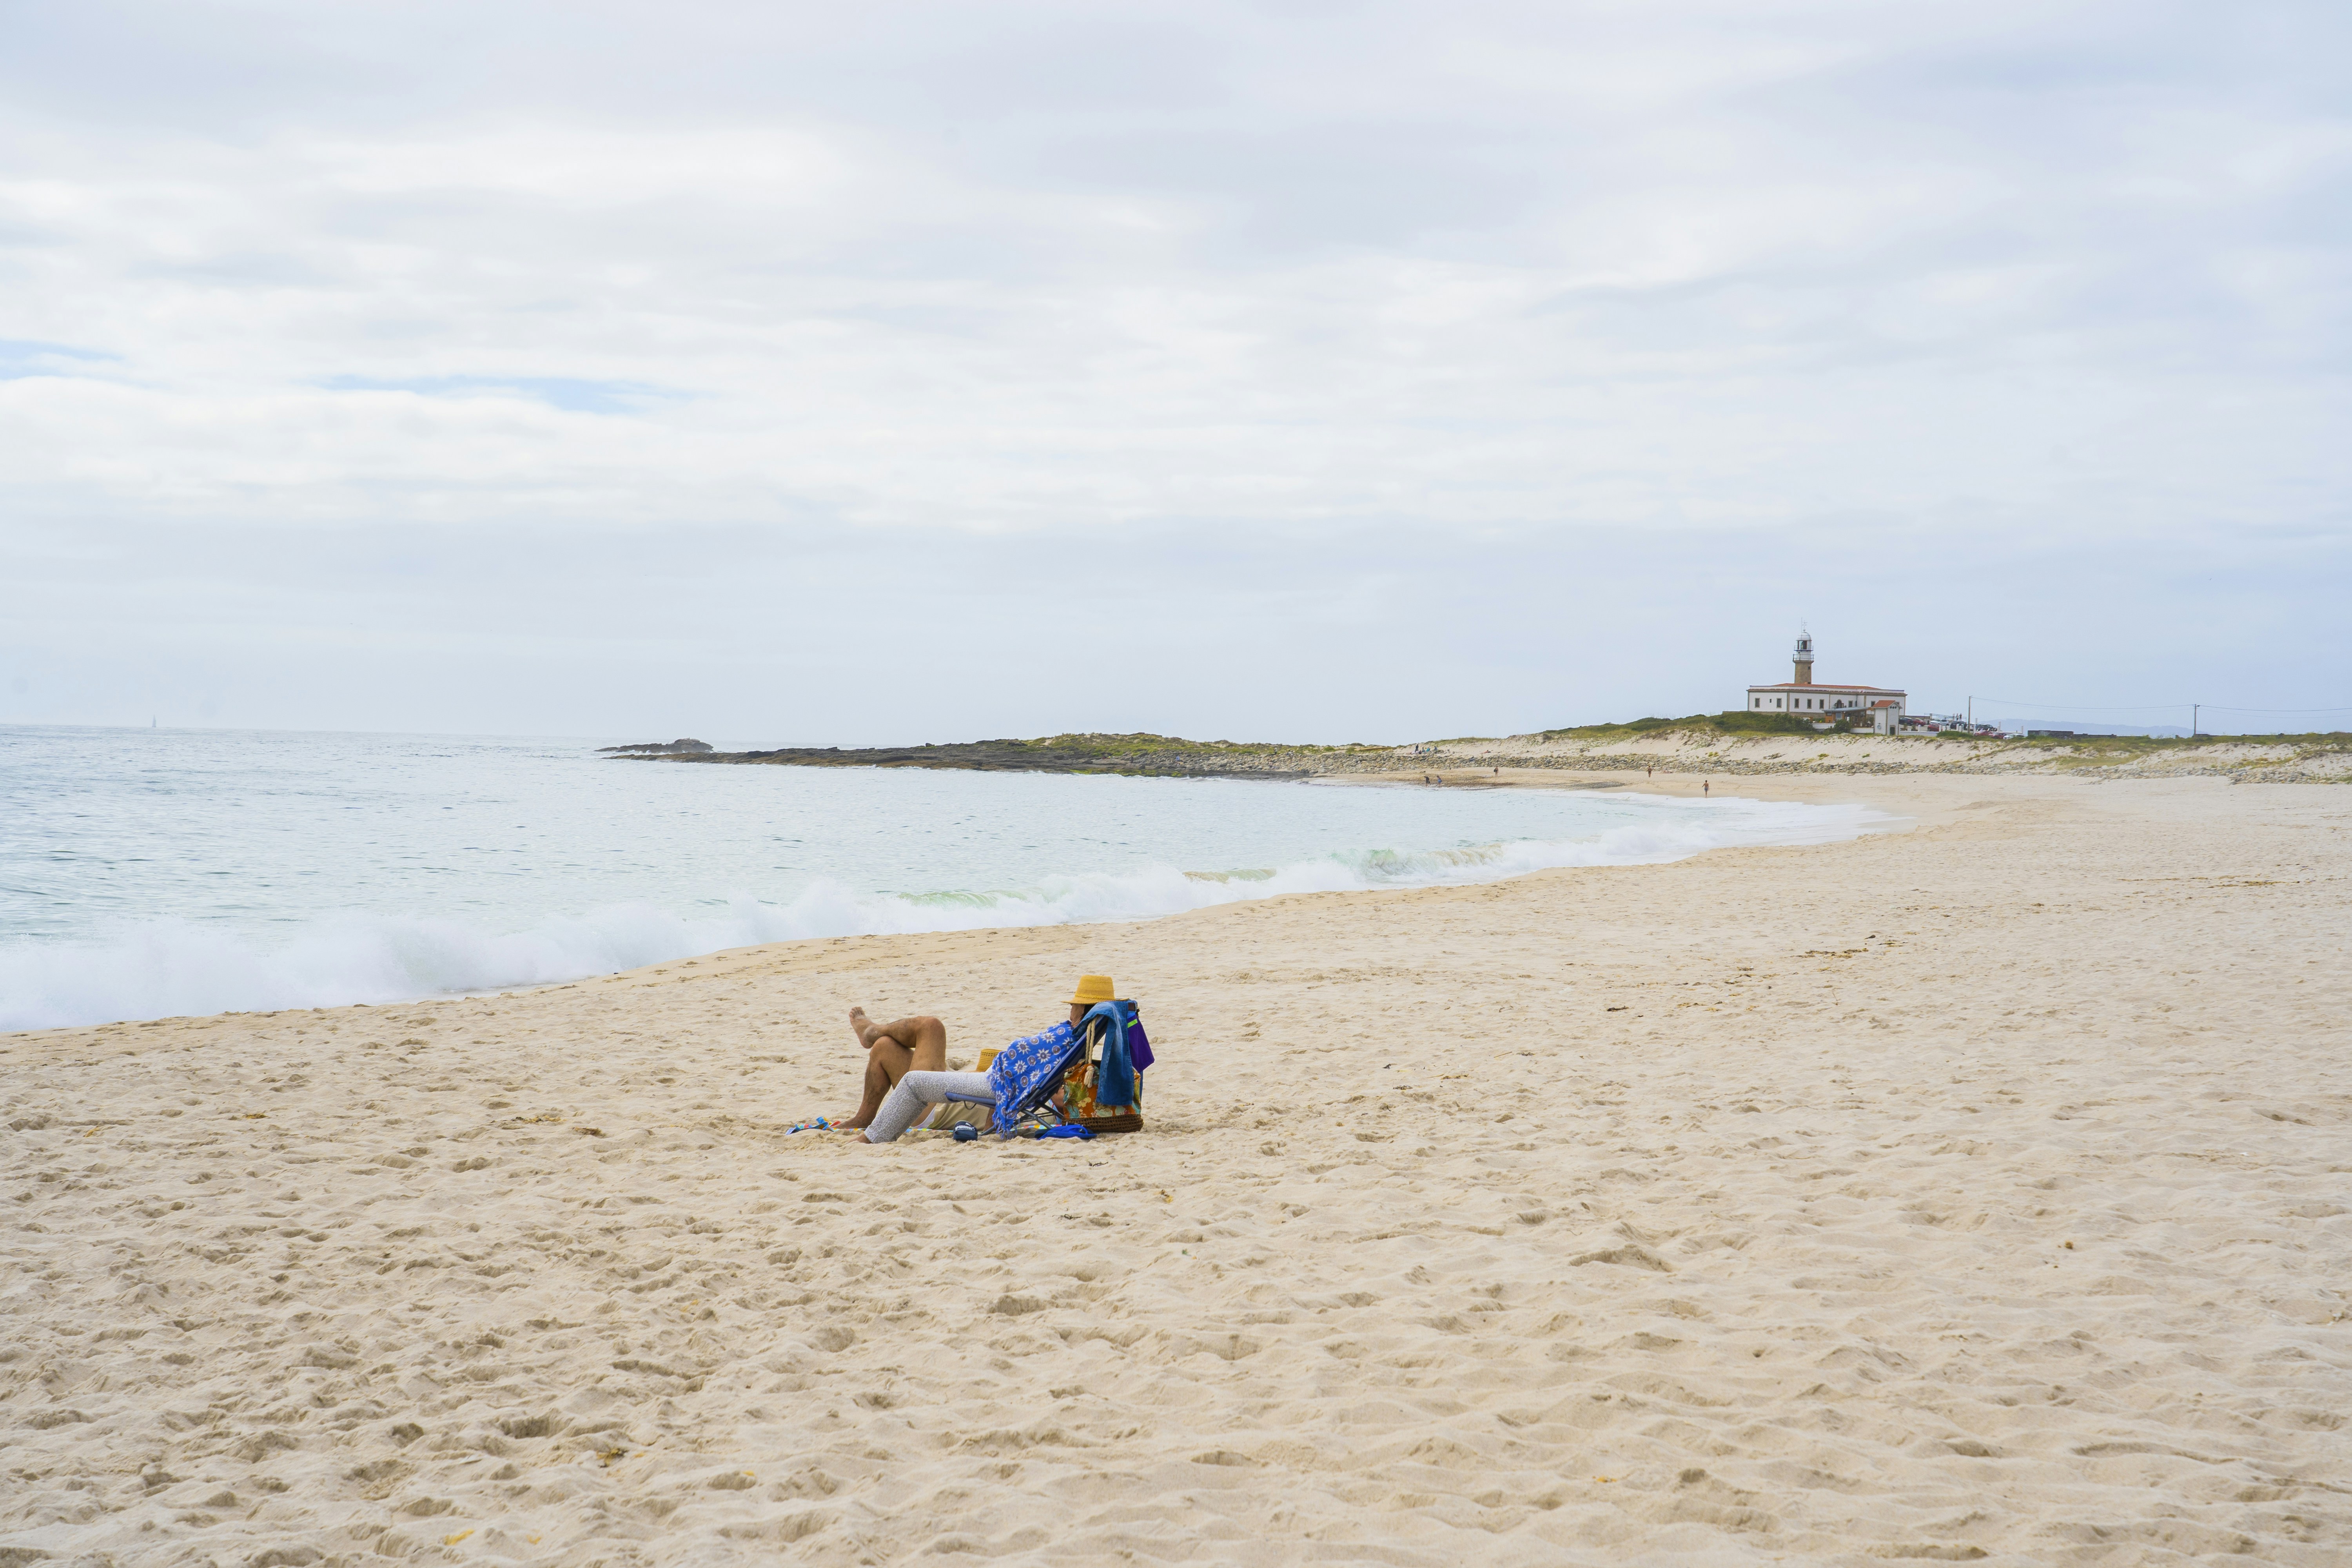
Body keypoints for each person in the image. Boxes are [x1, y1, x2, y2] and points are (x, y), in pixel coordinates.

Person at [848, 975, 1118, 1144]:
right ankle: (865, 1114)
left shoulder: (1070, 1044)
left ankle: (870, 1138)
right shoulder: (1075, 1041)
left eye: (1075, 1004)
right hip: (991, 1083)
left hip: (967, 1097)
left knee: (922, 1052)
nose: (1071, 1008)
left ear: (1082, 1009)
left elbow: (1064, 1099)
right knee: (887, 1046)